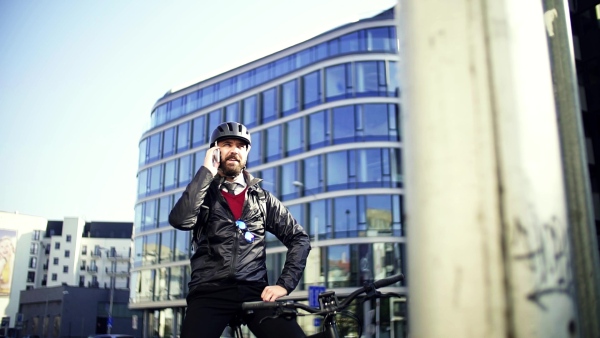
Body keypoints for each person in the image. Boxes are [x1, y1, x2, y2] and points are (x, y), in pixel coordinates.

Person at [169, 121, 311, 338]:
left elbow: (299, 238)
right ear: (215, 150)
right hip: (209, 291)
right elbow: (181, 220)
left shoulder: (263, 199)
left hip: (254, 291)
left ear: (247, 152)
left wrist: (284, 285)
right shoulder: (202, 194)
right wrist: (207, 170)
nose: (234, 150)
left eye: (241, 146)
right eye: (227, 144)